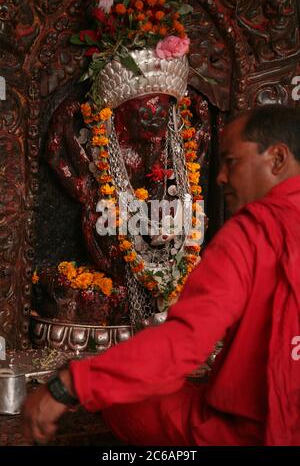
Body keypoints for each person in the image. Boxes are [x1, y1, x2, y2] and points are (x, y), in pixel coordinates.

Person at [22, 105, 300, 446]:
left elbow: (183, 347)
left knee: (127, 403)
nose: (221, 178)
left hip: (255, 431)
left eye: (231, 162)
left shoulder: (253, 232)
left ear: (277, 158)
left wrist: (72, 384)